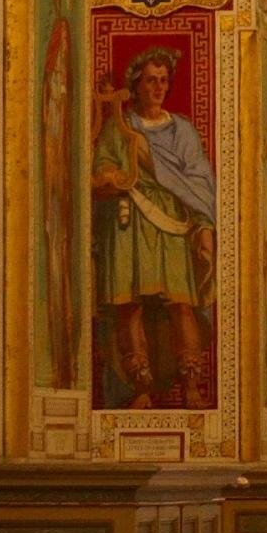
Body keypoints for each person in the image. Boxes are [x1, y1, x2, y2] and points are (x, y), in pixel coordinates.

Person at [92, 47, 217, 407]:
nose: (158, 87)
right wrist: (110, 175)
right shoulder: (121, 126)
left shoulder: (182, 130)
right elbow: (100, 167)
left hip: (171, 224)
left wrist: (204, 228)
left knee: (181, 305)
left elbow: (199, 183)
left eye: (163, 80)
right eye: (150, 80)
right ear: (137, 85)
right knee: (129, 306)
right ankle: (141, 389)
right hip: (127, 222)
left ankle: (190, 387)